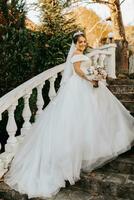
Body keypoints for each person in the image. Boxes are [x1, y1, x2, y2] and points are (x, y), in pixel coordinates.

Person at [4, 31, 134, 199]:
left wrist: (97, 76)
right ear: (75, 43)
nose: (83, 44)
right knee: (77, 120)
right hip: (78, 87)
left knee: (93, 117)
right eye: (80, 42)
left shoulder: (83, 53)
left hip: (88, 86)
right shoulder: (75, 55)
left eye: (84, 42)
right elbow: (79, 71)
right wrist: (90, 77)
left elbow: (85, 69)